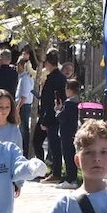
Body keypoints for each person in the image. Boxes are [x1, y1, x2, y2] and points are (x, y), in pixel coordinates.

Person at [34, 50, 67, 183]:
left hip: (51, 116)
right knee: (41, 142)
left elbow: (50, 100)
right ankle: (43, 169)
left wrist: (45, 119)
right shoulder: (58, 77)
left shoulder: (54, 78)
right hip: (50, 114)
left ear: (48, 63)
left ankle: (55, 172)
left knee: (54, 145)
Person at [55, 79, 81, 189]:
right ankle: (72, 178)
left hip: (66, 132)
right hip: (74, 130)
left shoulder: (69, 103)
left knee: (68, 155)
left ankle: (71, 179)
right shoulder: (78, 102)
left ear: (69, 90)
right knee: (72, 155)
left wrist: (57, 110)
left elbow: (62, 117)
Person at [15, 58, 34, 153]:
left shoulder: (25, 78)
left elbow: (24, 96)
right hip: (22, 105)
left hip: (24, 106)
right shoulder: (21, 77)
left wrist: (18, 107)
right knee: (22, 129)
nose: (16, 68)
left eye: (18, 65)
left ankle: (25, 151)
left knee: (24, 129)